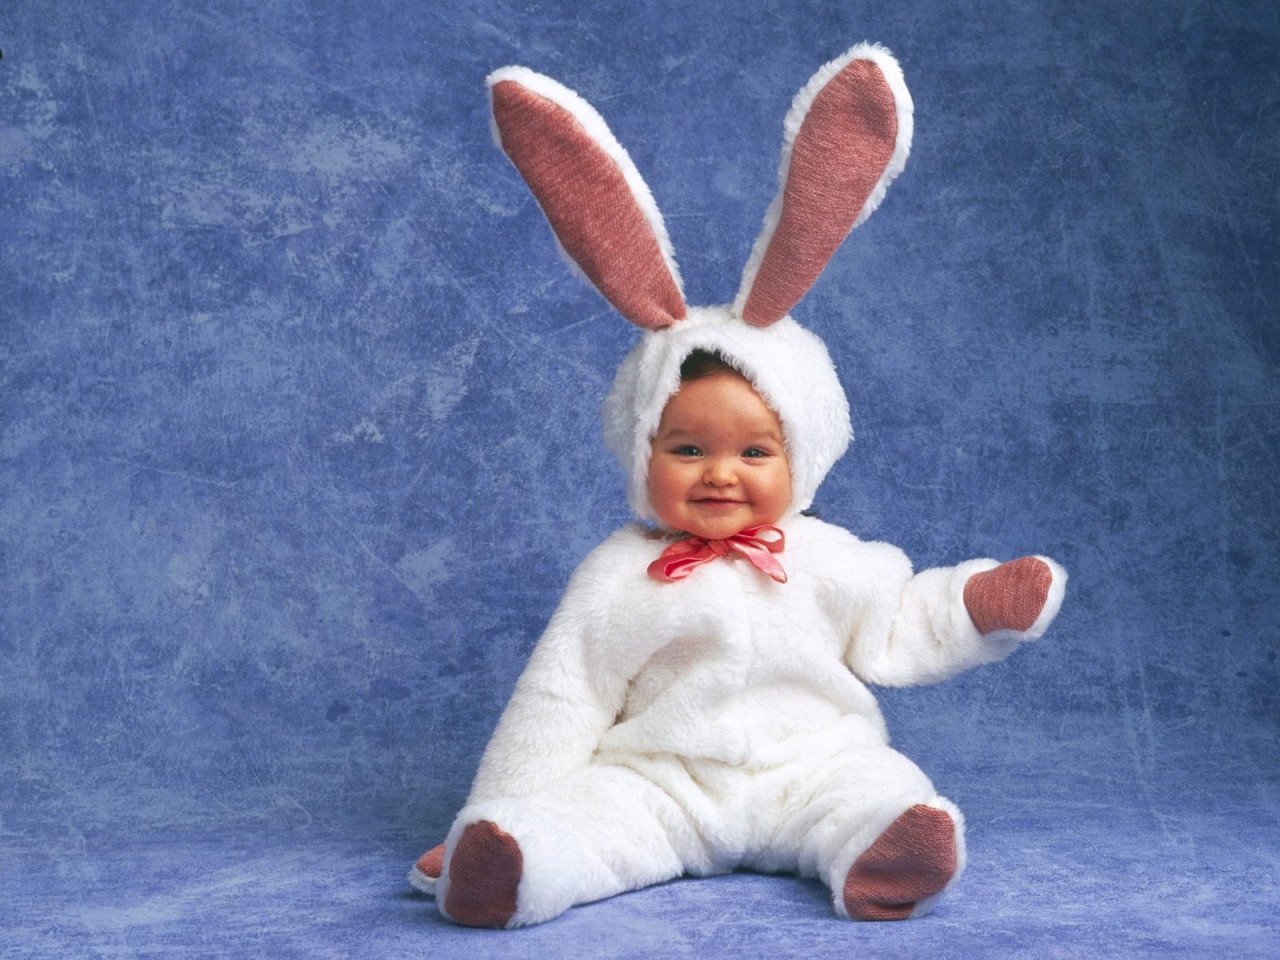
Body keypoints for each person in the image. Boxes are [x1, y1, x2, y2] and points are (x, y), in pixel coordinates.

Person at [409, 45, 1066, 929]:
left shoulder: (827, 556)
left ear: (806, 457)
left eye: (755, 452)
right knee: (594, 819)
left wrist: (980, 603)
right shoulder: (616, 575)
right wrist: (492, 810)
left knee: (879, 784)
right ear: (639, 451)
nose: (720, 472)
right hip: (661, 781)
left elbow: (899, 622)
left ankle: (879, 848)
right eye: (687, 448)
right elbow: (561, 700)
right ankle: (513, 864)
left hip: (815, 764)